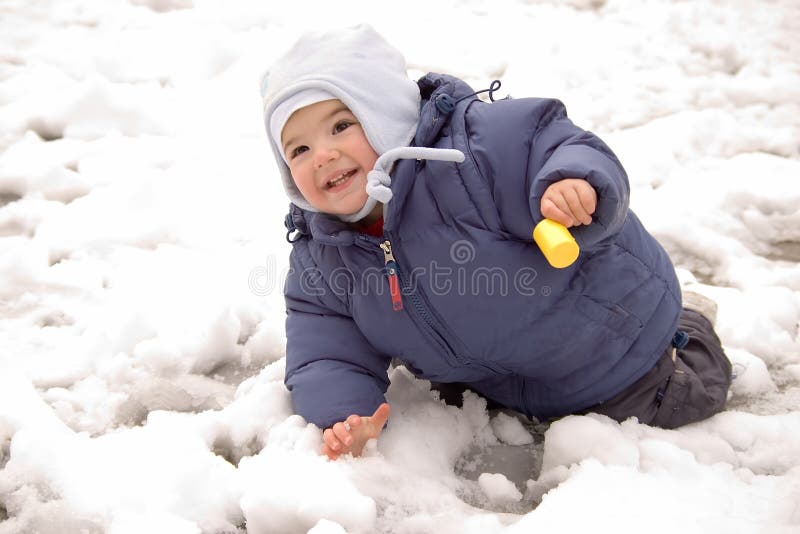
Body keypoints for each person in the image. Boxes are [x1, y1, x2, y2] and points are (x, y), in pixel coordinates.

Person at [260, 25, 732, 460]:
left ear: (387, 115)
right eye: (298, 149)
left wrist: (572, 184)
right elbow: (327, 348)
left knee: (683, 403)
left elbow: (554, 144)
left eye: (341, 126)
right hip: (495, 383)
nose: (322, 155)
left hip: (611, 354)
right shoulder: (323, 254)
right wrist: (343, 413)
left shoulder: (474, 154)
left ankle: (690, 330)